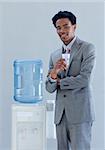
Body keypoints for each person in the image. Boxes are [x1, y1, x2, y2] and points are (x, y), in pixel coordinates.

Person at [45, 11, 95, 150]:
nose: (61, 31)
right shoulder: (54, 55)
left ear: (74, 26)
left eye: (65, 26)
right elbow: (49, 88)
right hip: (61, 115)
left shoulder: (87, 48)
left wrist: (60, 82)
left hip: (80, 114)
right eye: (58, 28)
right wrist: (54, 73)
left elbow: (84, 80)